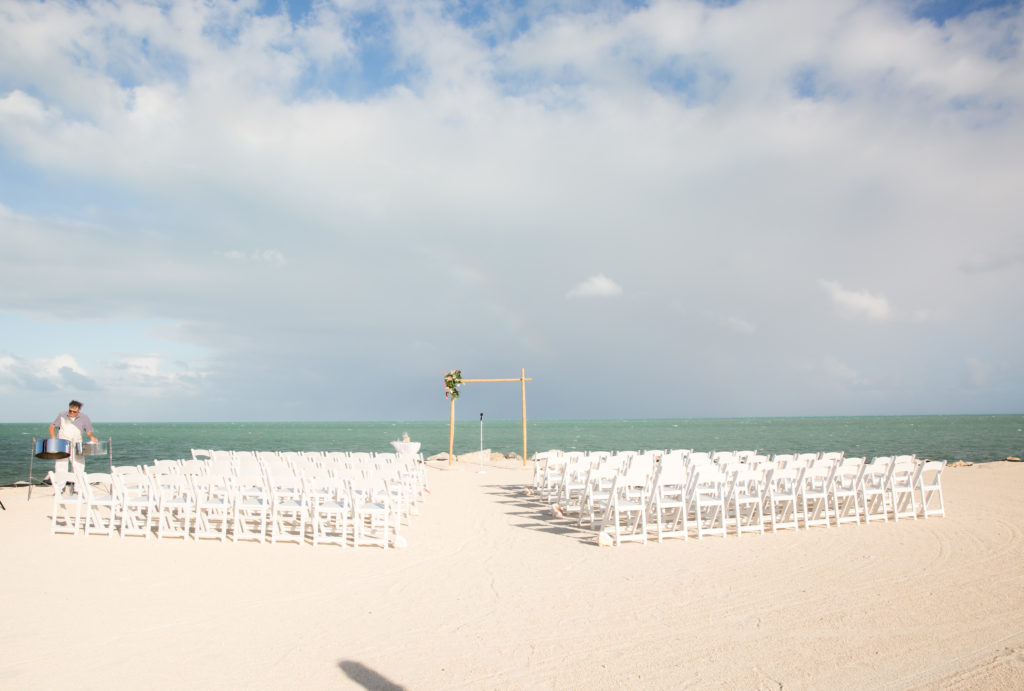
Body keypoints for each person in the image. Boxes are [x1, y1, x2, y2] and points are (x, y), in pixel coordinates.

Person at [49, 400, 99, 473]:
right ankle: (60, 484)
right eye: (70, 411)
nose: (71, 413)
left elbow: (88, 430)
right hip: (62, 443)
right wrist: (53, 438)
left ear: (79, 410)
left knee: (78, 465)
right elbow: (51, 427)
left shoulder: (84, 418)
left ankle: (77, 483)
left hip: (77, 443)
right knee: (61, 465)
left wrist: (92, 436)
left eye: (74, 412)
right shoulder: (62, 415)